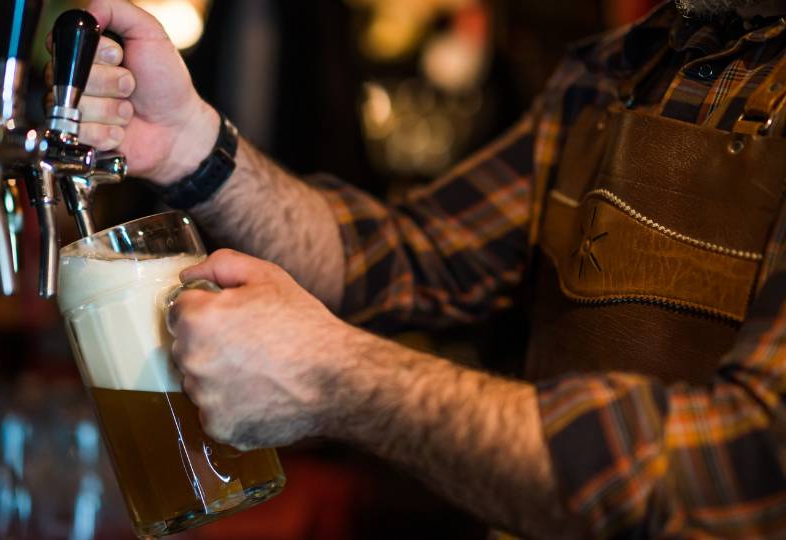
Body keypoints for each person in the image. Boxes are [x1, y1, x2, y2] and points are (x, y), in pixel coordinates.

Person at [62, 0, 786, 536]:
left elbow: (747, 462)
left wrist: (342, 379)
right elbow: (408, 254)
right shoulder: (622, 69)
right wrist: (188, 143)